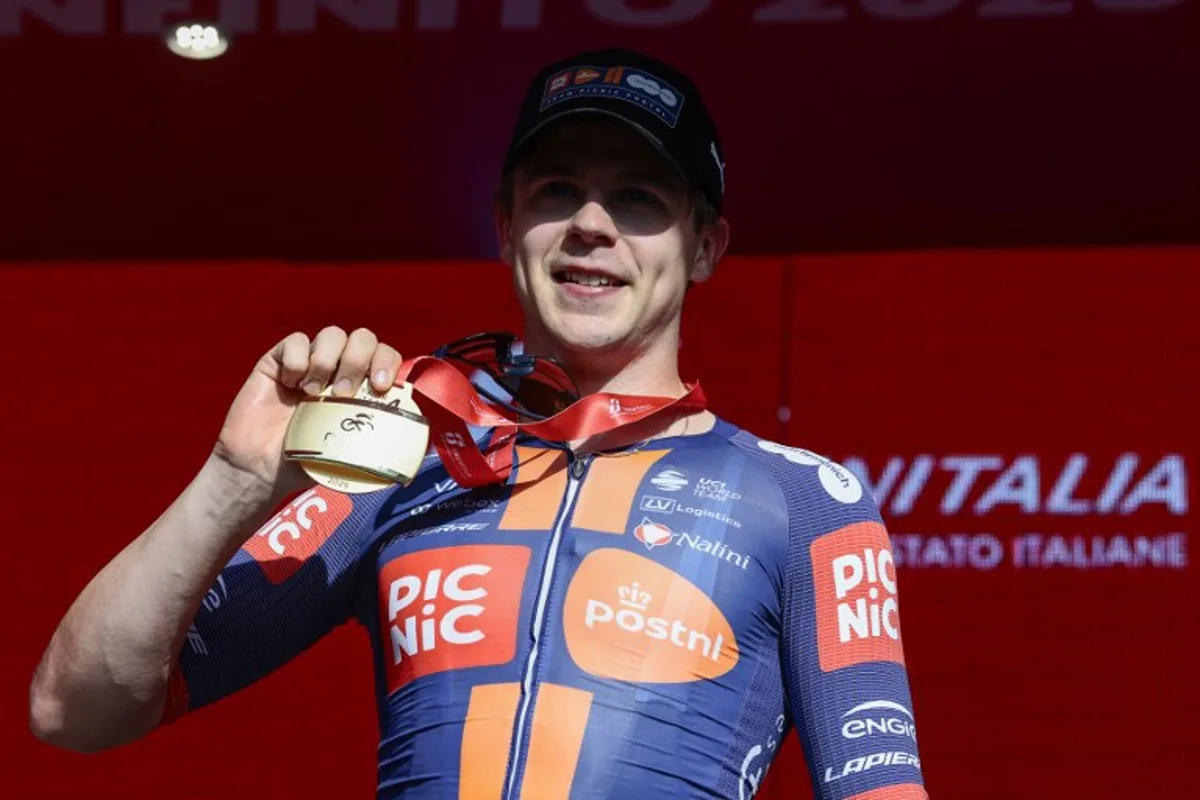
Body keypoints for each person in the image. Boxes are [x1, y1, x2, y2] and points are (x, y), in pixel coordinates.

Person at [29, 48, 928, 799]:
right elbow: (74, 711)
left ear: (705, 247)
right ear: (505, 228)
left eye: (639, 199)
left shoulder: (806, 502)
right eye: (556, 191)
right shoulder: (403, 461)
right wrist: (235, 480)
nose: (590, 224)